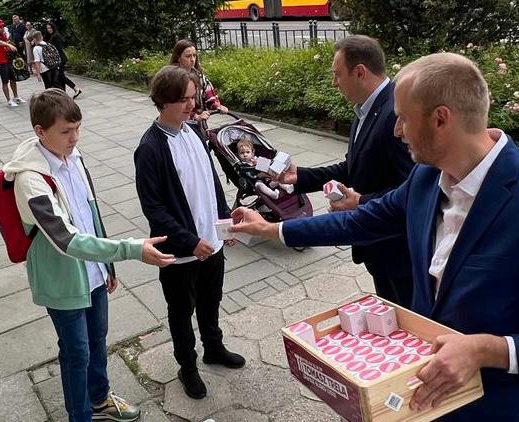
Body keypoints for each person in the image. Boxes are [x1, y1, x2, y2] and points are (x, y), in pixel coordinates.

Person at [231, 52, 519, 421]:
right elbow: (360, 221)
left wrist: (489, 350)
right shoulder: (425, 178)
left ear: (440, 119)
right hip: (422, 397)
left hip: (495, 406)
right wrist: (273, 228)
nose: (397, 130)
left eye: (403, 118)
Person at [3, 88, 176, 422]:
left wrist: (107, 265)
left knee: (97, 339)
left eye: (78, 128)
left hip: (93, 271)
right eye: (66, 131)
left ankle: (99, 400)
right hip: (63, 281)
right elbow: (66, 239)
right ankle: (79, 416)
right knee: (76, 352)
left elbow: (90, 212)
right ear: (40, 131)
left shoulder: (74, 156)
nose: (75, 137)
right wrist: (129, 249)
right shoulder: (30, 179)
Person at [272, 35, 415, 308]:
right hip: (378, 250)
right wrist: (300, 177)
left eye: (338, 74)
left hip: (400, 255)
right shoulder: (365, 110)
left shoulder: (394, 113)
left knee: (409, 322)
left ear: (359, 72)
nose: (334, 82)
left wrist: (361, 202)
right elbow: (352, 167)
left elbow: (414, 188)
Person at [134, 65, 245, 400]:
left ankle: (214, 347)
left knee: (211, 301)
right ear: (163, 100)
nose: (191, 104)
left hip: (211, 243)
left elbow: (210, 182)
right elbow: (154, 209)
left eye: (193, 97)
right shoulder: (150, 148)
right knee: (181, 313)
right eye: (183, 99)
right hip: (182, 253)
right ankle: (188, 367)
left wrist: (225, 222)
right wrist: (190, 241)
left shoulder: (193, 132)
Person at [170, 39, 228, 122]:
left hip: (198, 124)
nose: (192, 59)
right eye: (188, 56)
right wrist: (194, 116)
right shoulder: (172, 79)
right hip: (177, 123)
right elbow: (172, 105)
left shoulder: (200, 77)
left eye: (194, 55)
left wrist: (218, 106)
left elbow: (209, 96)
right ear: (178, 58)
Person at [0, 19, 26, 107]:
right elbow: (0, 43)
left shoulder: (3, 34)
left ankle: (16, 96)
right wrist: (9, 45)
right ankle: (9, 100)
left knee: (13, 79)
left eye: (3, 26)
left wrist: (10, 44)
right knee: (5, 81)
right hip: (1, 61)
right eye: (0, 27)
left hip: (8, 59)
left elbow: (5, 43)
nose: (2, 28)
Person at [46, 21, 82, 98]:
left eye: (50, 28)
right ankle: (65, 93)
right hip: (58, 59)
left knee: (60, 76)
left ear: (53, 27)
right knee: (61, 76)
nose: (49, 30)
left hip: (60, 59)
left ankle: (75, 88)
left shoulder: (56, 36)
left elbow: (59, 48)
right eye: (47, 28)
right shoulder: (52, 36)